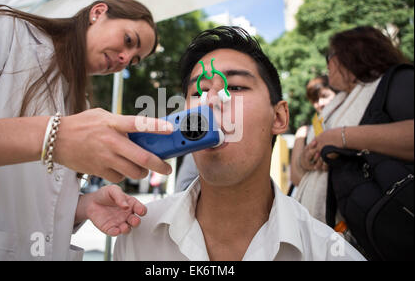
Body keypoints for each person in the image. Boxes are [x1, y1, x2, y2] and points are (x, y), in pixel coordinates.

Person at [113, 26, 365, 261]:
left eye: (234, 87)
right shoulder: (137, 235)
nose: (210, 102)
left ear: (279, 117)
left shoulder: (331, 254)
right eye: (198, 93)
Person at [0, 0, 175, 260]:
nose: (124, 58)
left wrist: (83, 207)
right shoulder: (5, 32)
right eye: (129, 41)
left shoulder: (79, 104)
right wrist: (54, 136)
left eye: (133, 61)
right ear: (98, 12)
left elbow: (30, 195)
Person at [301, 26, 413, 252]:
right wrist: (308, 157)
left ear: (350, 54)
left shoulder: (397, 80)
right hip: (343, 234)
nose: (327, 65)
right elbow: (303, 168)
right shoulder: (333, 107)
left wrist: (341, 138)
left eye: (329, 57)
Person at [290, 76, 336, 220]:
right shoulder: (304, 132)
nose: (320, 103)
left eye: (324, 96)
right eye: (315, 100)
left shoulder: (349, 123)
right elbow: (295, 177)